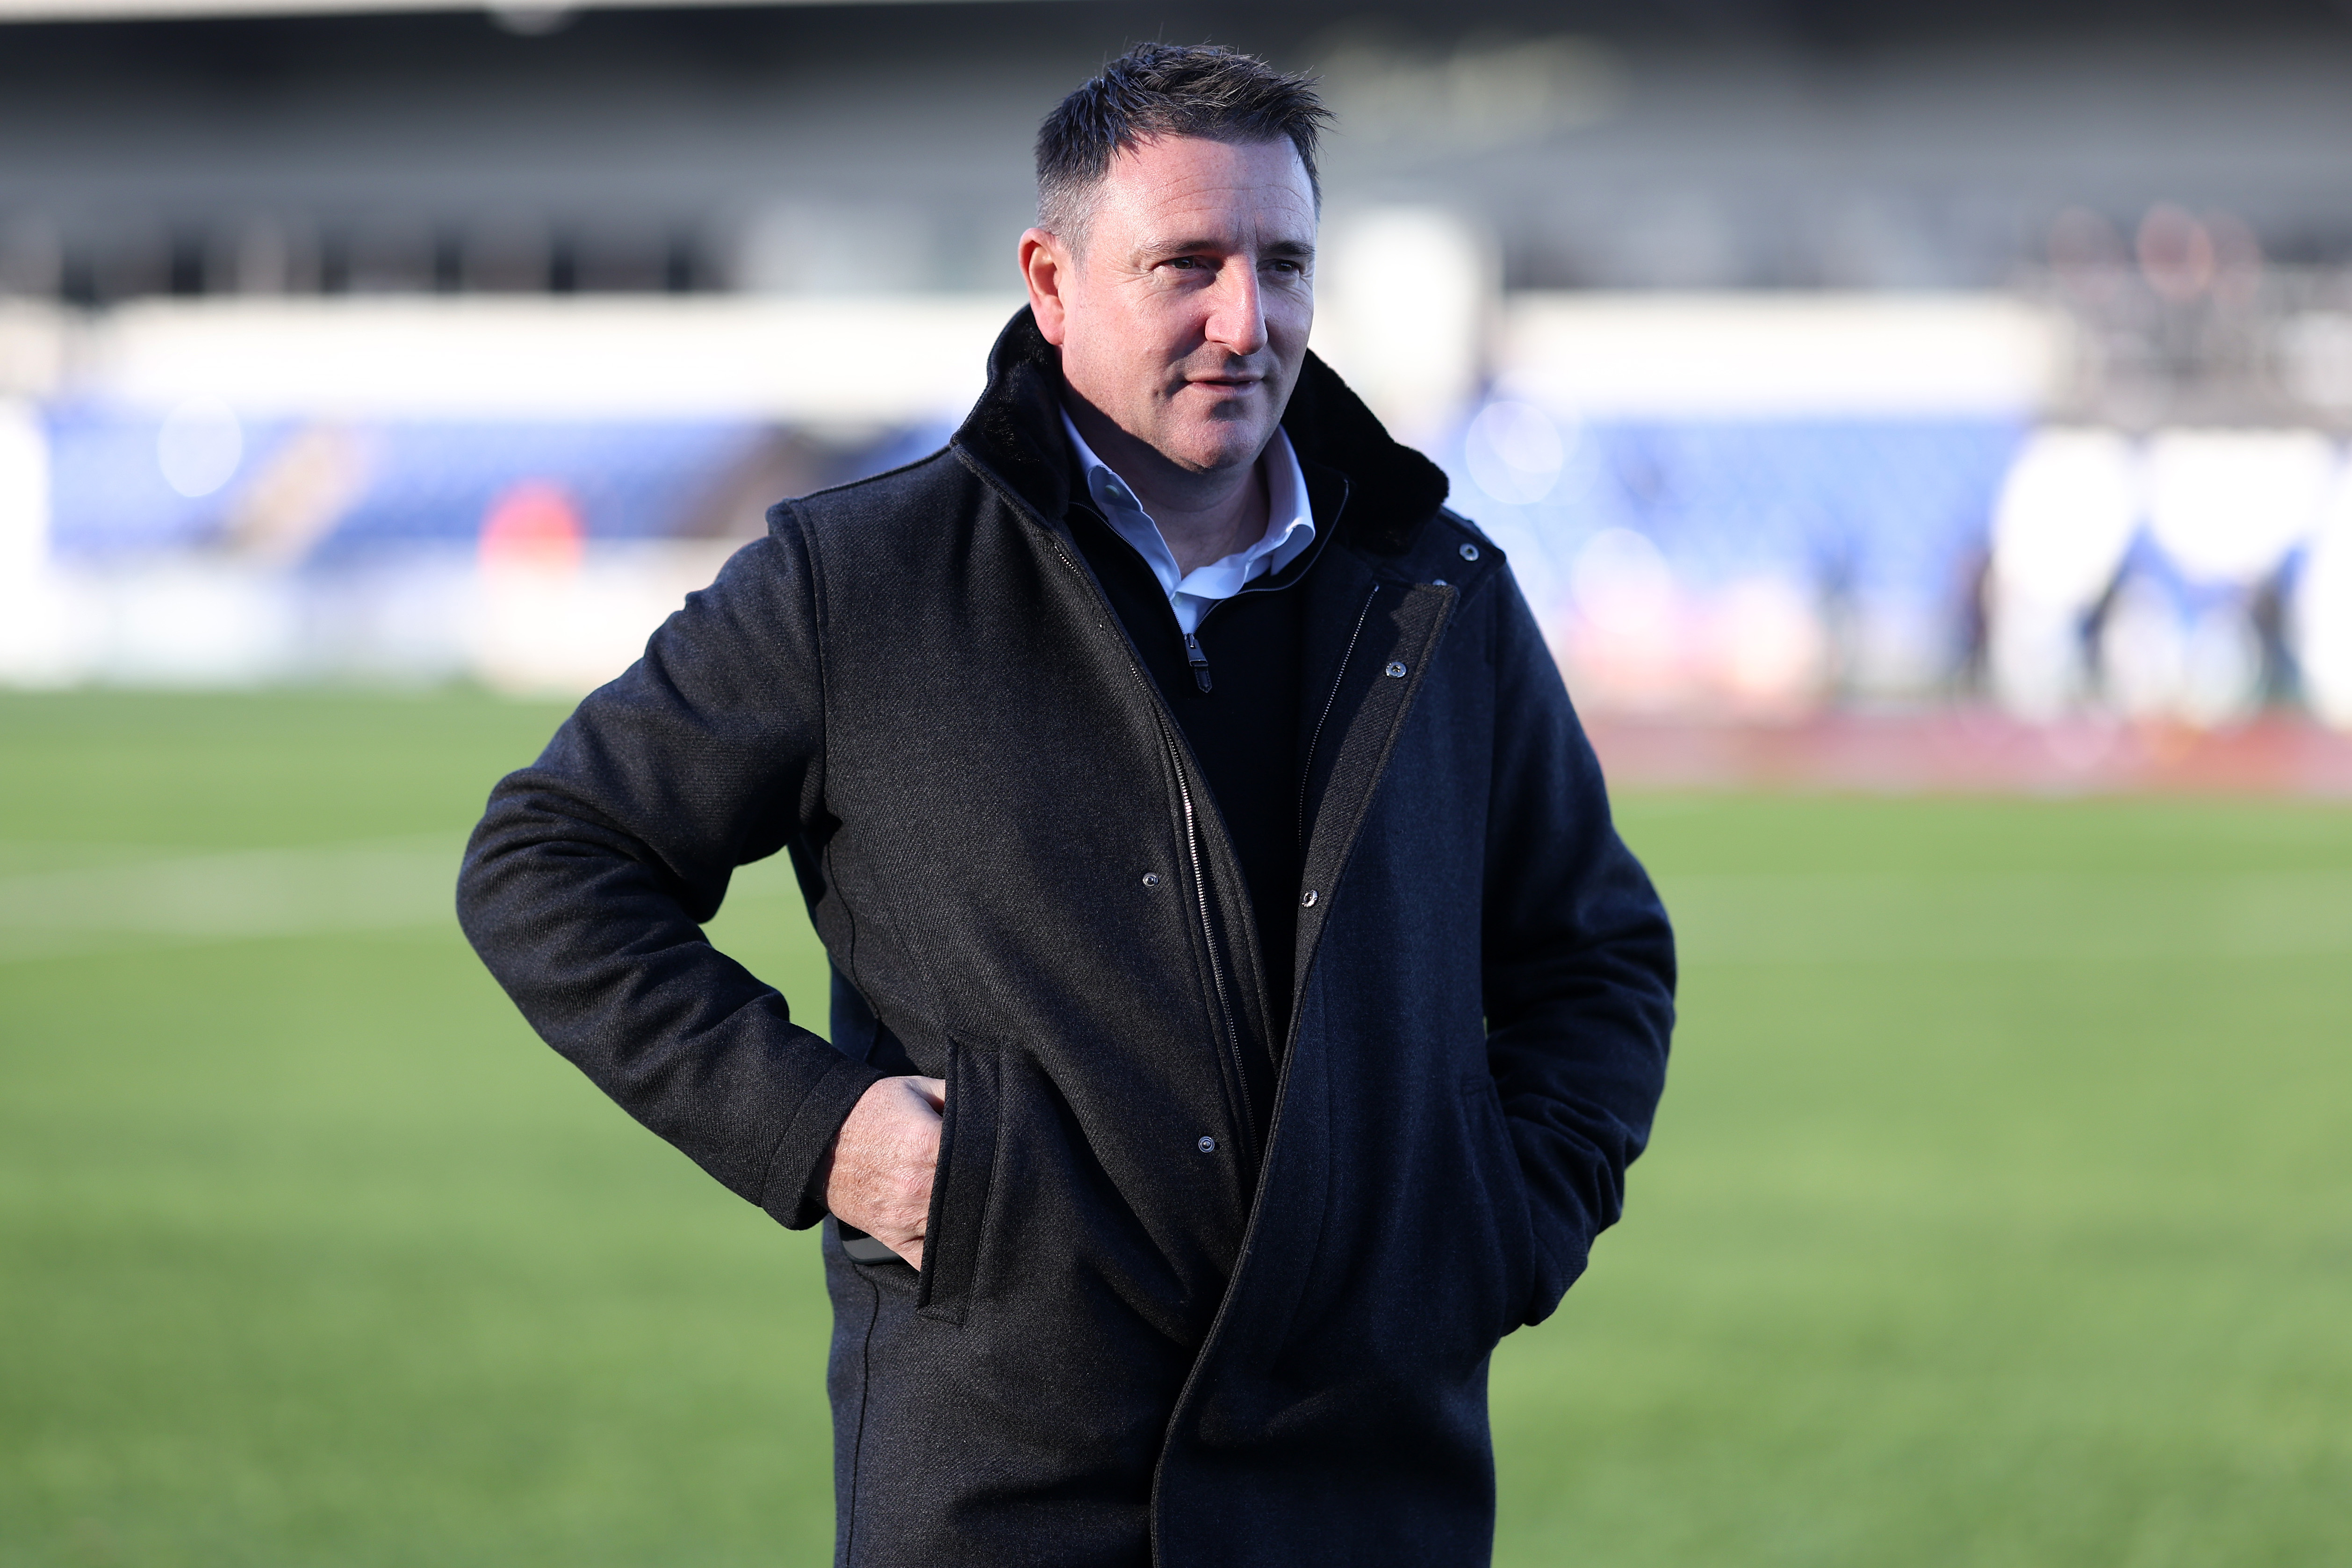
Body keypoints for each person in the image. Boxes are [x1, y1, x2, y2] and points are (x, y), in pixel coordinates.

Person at [457, 42, 1674, 1568]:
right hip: (1005, 1491)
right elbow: (549, 858)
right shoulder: (862, 582)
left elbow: (1599, 955)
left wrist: (1499, 1223)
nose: (1249, 319)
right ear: (1050, 279)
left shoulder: (1442, 594)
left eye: (1284, 265)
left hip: (1365, 1490)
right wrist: (822, 1131)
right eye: (1188, 265)